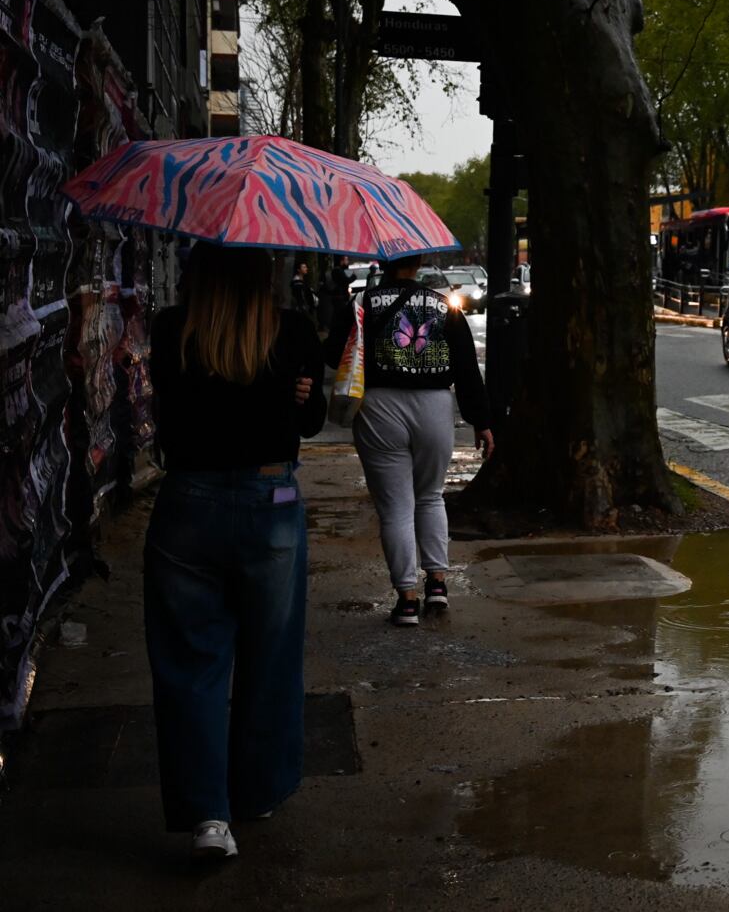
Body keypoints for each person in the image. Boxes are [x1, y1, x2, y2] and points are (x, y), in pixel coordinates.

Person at [146, 243, 326, 859]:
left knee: (190, 660)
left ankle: (207, 816)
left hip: (187, 503)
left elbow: (169, 414)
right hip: (269, 499)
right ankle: (257, 791)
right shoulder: (293, 330)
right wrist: (299, 394)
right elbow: (310, 425)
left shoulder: (172, 330)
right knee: (270, 655)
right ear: (264, 272)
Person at [334, 253, 492, 626]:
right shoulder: (442, 304)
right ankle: (437, 583)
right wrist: (481, 420)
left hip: (379, 406)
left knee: (396, 508)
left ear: (383, 263)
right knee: (430, 495)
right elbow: (466, 367)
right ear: (418, 263)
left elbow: (332, 355)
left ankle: (406, 599)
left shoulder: (364, 303)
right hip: (435, 404)